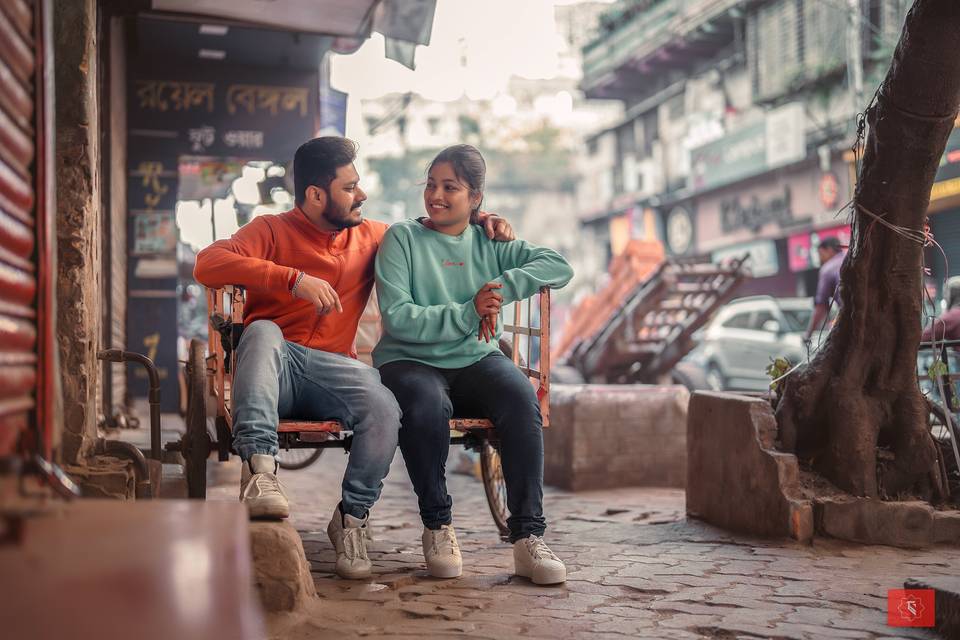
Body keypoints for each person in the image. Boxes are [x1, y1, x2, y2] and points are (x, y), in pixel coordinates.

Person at [193, 137, 515, 580]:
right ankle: (261, 472)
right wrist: (293, 279)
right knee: (263, 330)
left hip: (334, 371)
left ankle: (351, 518)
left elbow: (434, 231)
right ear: (315, 195)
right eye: (350, 187)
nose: (361, 195)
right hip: (274, 365)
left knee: (385, 406)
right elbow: (208, 262)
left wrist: (481, 218)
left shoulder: (374, 236)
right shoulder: (269, 230)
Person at [373, 145, 574, 585]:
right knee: (426, 406)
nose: (436, 195)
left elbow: (558, 266)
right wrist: (469, 310)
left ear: (476, 198)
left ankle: (527, 538)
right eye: (431, 185)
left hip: (473, 358)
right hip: (408, 361)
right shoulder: (401, 239)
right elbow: (399, 318)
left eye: (451, 187)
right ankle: (438, 525)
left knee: (523, 400)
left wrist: (498, 288)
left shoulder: (489, 241)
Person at [804, 236, 845, 341]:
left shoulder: (827, 269)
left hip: (851, 318)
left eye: (820, 254)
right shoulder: (852, 259)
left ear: (829, 250)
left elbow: (821, 306)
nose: (820, 259)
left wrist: (808, 334)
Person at [921, 276, 960, 345]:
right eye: (929, 289)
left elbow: (924, 338)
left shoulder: (952, 316)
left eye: (933, 289)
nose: (932, 291)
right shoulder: (920, 307)